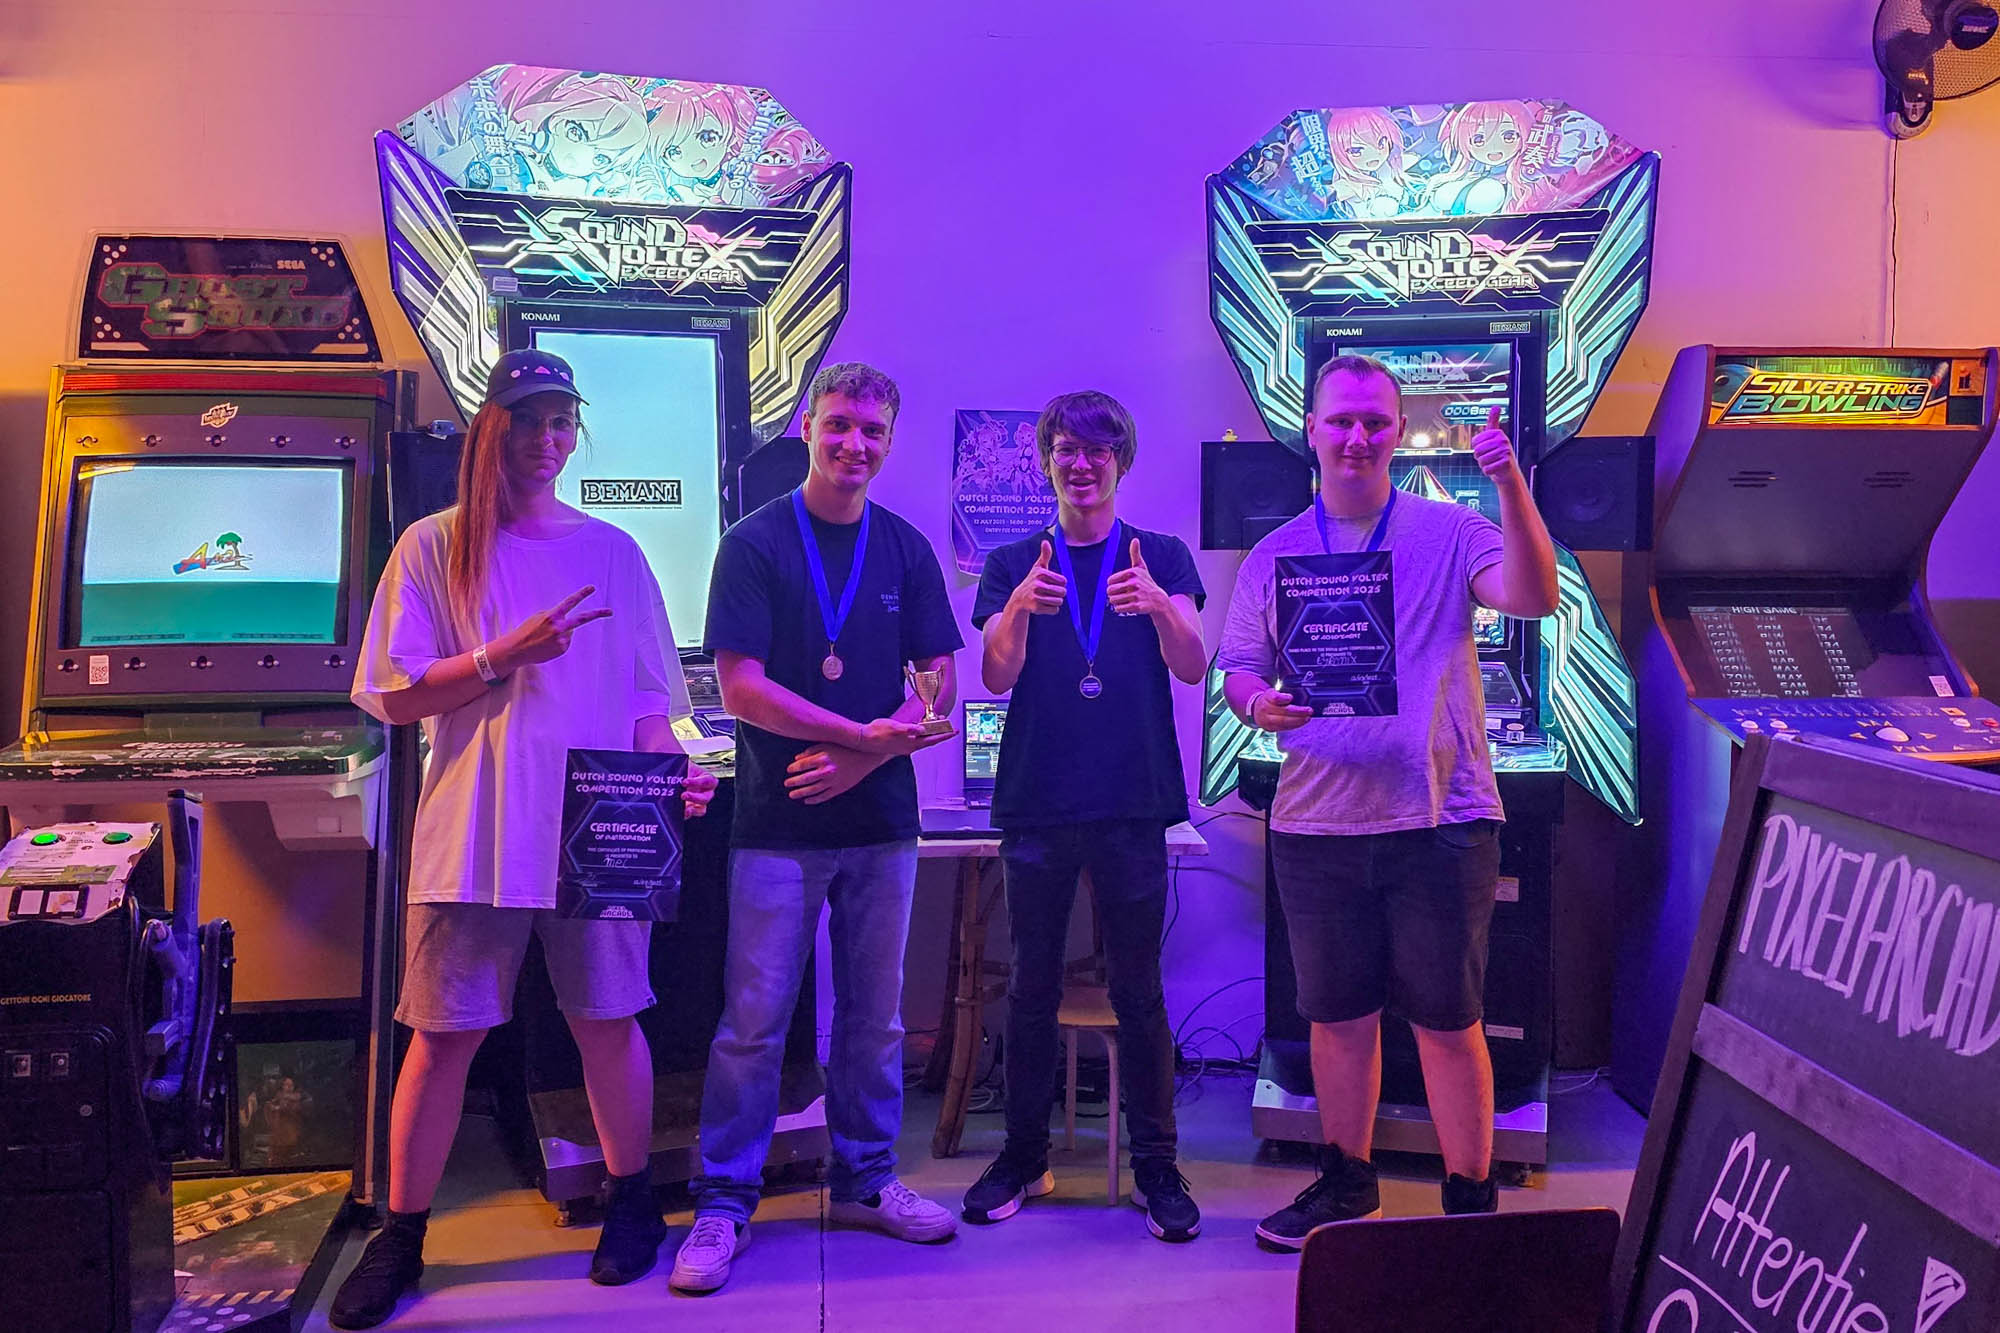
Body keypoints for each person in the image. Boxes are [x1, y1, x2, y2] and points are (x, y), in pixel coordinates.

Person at [331, 348, 717, 1328]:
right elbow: (393, 693)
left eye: (562, 421)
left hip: (596, 830)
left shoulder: (615, 553)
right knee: (440, 1037)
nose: (549, 439)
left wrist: (672, 775)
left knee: (609, 1019)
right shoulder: (431, 546)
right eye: (530, 420)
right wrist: (500, 655)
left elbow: (650, 705)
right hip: (471, 833)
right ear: (490, 429)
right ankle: (401, 1233)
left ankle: (631, 1201)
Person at [1216, 354, 1559, 1248]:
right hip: (1315, 821)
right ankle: (1348, 1183)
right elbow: (1240, 666)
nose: (1357, 436)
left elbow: (1534, 597)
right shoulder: (1275, 554)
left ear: (1399, 431)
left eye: (1374, 420)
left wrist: (1511, 482)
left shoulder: (1453, 530)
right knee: (1337, 1020)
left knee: (1450, 1020)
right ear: (1311, 429)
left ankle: (1469, 1201)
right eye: (1341, 420)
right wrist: (1257, 704)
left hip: (1441, 819)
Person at [673, 361, 963, 1293]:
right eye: (840, 424)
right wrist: (854, 737)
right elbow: (740, 687)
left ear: (890, 439)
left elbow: (939, 685)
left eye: (873, 431)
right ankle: (725, 1200)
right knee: (753, 1024)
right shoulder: (754, 542)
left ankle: (869, 1177)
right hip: (777, 822)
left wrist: (867, 757)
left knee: (875, 1020)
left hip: (881, 823)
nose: (854, 444)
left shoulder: (906, 549)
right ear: (808, 425)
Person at [962, 391, 1208, 1241]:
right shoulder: (1012, 561)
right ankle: (1022, 1156)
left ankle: (1156, 1166)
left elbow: (1193, 665)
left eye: (1098, 450)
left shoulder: (1162, 555)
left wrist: (1163, 605)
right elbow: (995, 676)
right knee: (1031, 984)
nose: (1081, 463)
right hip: (1038, 800)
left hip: (1133, 800)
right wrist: (1019, 609)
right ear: (1046, 460)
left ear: (1121, 462)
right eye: (1066, 448)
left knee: (1139, 987)